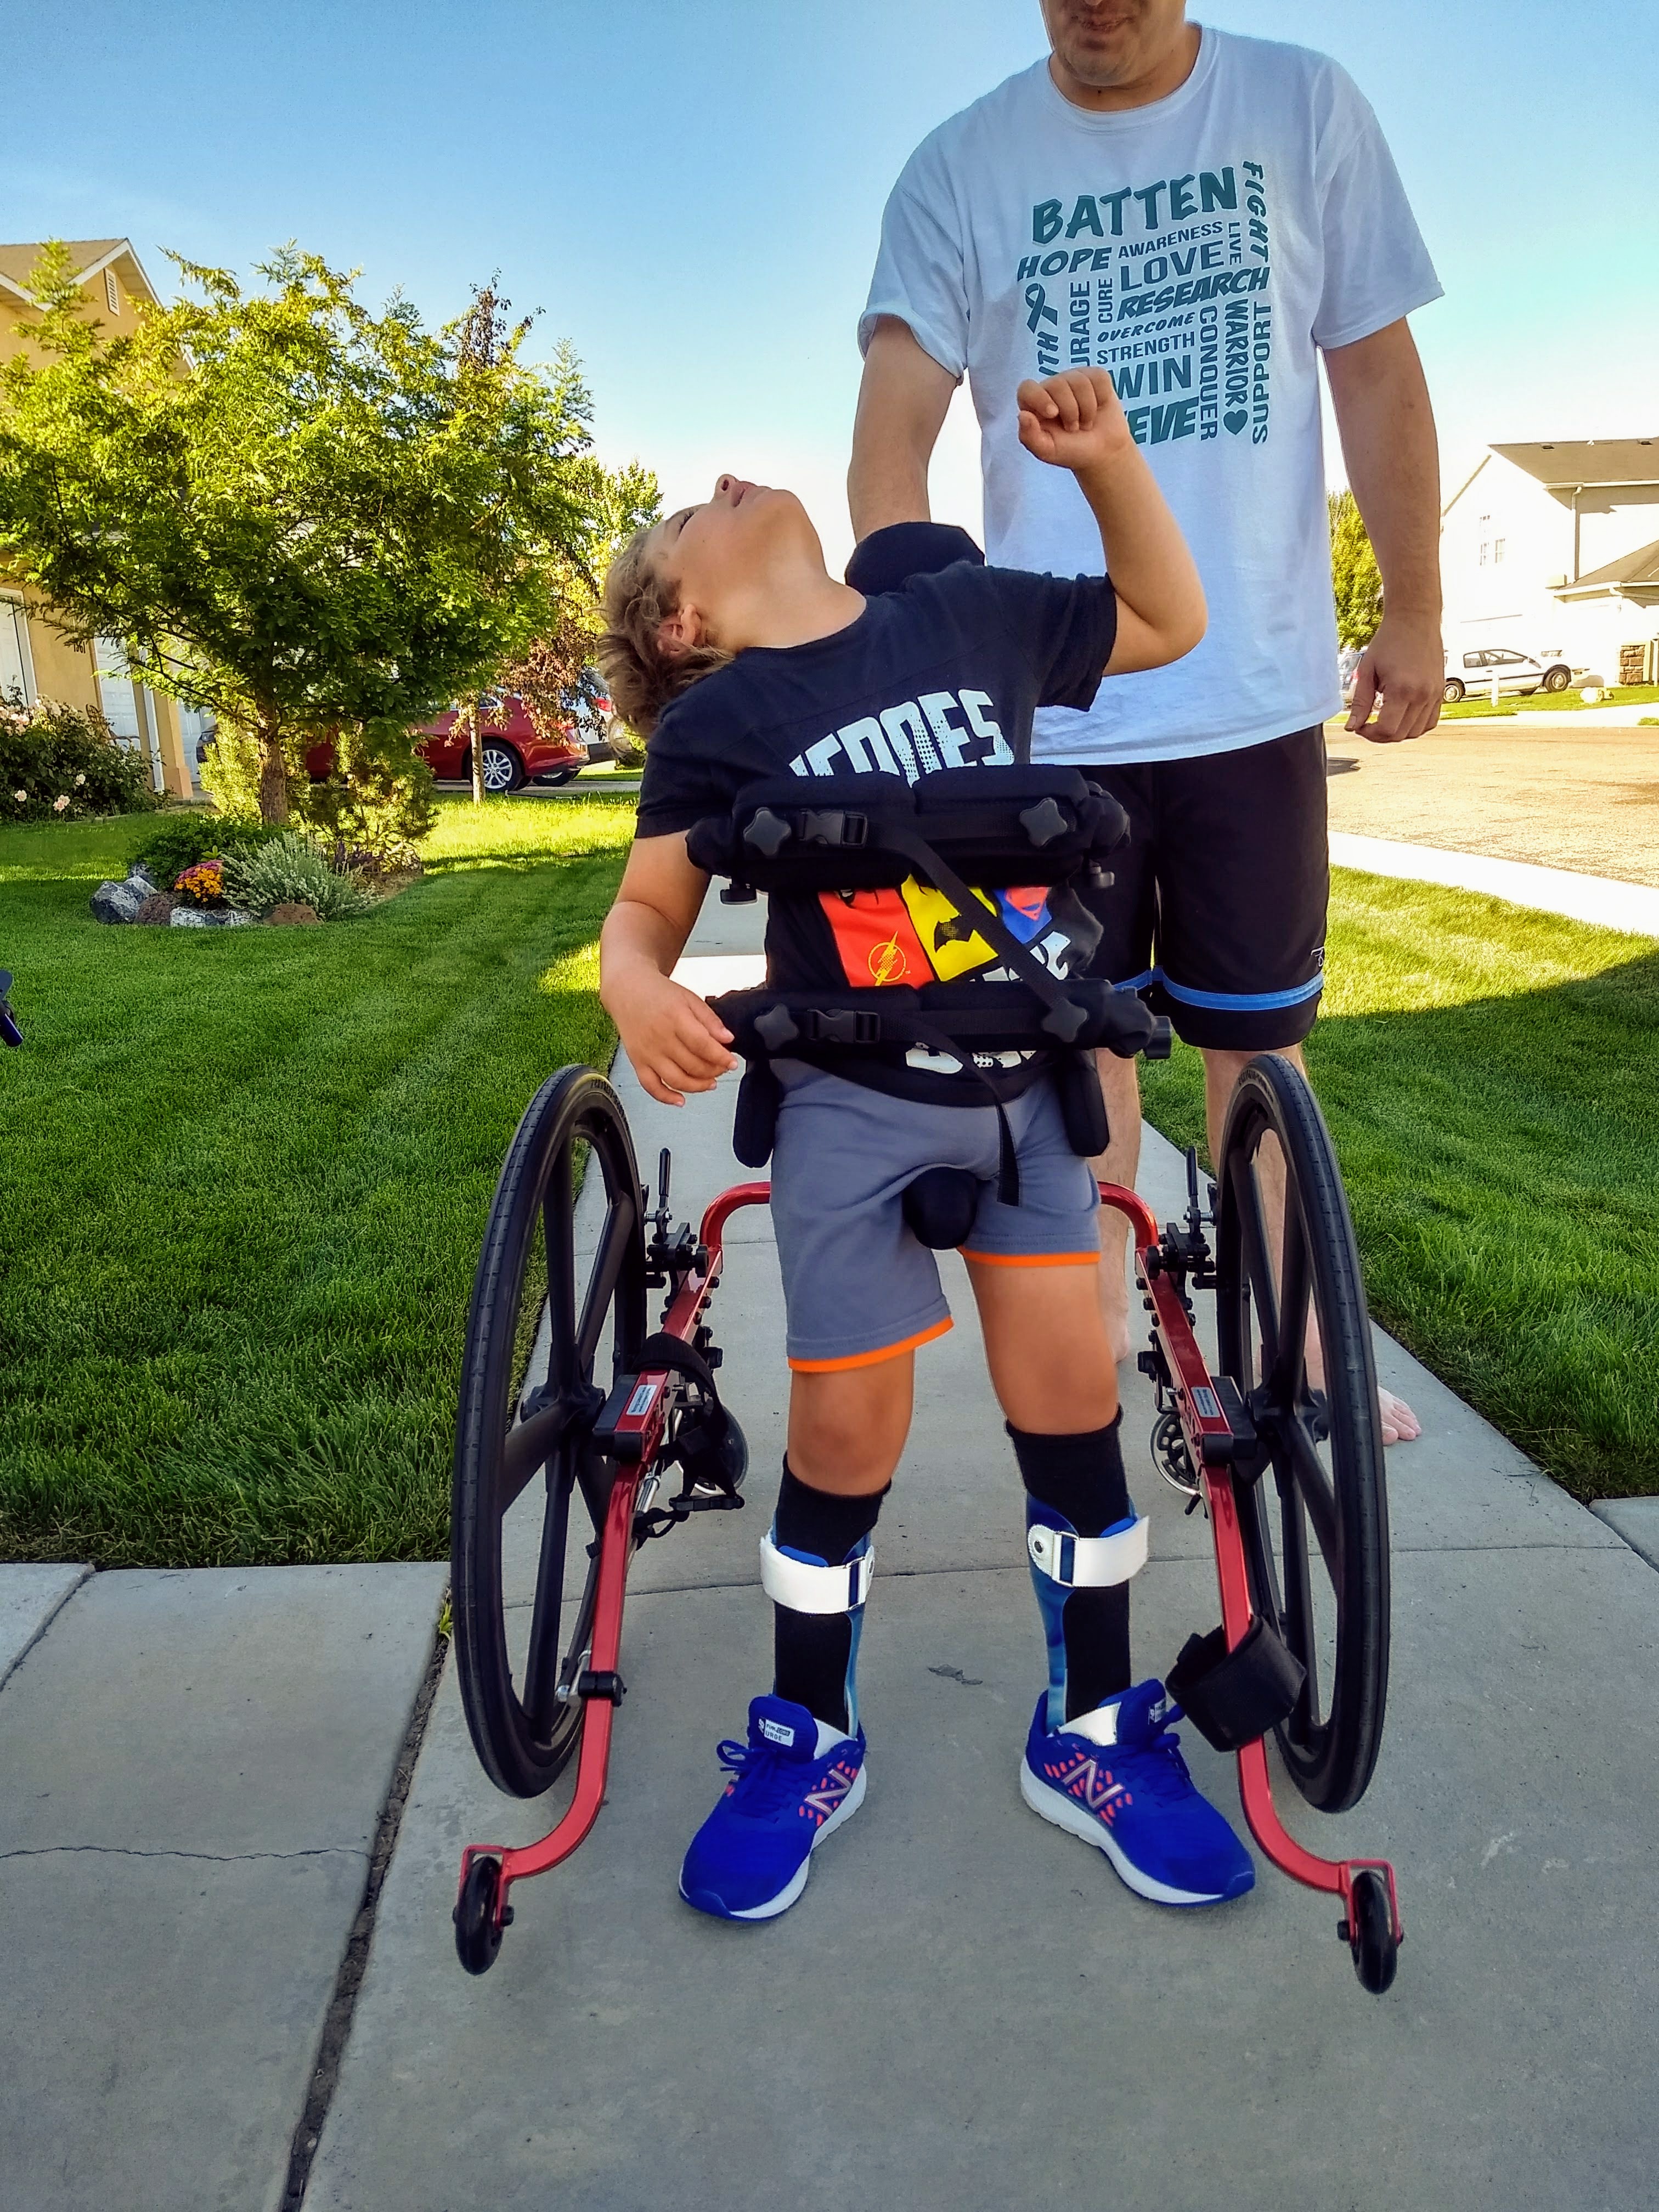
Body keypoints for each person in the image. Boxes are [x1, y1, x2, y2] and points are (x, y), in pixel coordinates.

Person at [597, 367, 1256, 1923]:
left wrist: (1109, 465)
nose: (724, 479)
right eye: (688, 514)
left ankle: (1091, 1727)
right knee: (846, 1436)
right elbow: (645, 908)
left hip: (1027, 1083)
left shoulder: (972, 615)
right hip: (846, 1098)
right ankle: (807, 1734)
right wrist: (634, 986)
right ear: (684, 622)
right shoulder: (720, 724)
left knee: (1072, 1406)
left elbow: (1168, 621)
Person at [849, 0, 1444, 1443]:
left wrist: (1417, 609)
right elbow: (892, 426)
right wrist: (916, 647)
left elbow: (1374, 367)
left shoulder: (1303, 107)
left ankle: (1301, 1343)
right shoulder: (961, 164)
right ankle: (1103, 1332)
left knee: (1262, 1050)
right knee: (1084, 1048)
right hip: (1059, 709)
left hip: (1254, 691)